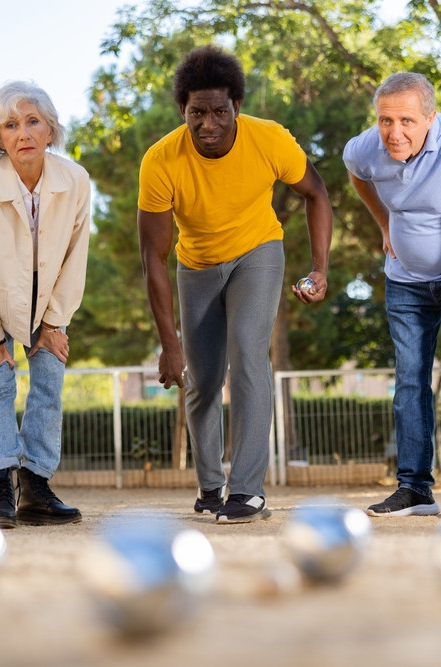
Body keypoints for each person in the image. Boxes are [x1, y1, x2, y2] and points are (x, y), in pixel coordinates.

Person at [138, 46, 334, 524]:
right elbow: (153, 258)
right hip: (197, 265)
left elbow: (315, 193)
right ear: (182, 111)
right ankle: (211, 486)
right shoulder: (161, 160)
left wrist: (320, 267)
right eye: (196, 113)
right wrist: (170, 345)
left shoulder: (269, 140)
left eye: (219, 111)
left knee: (249, 351)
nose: (208, 124)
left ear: (236, 109)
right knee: (201, 380)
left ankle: (247, 491)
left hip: (257, 252)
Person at [342, 72, 441, 518]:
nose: (395, 133)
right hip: (405, 277)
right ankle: (414, 489)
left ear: (430, 118)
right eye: (386, 120)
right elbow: (356, 174)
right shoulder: (366, 146)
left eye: (408, 121)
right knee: (409, 378)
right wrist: (383, 223)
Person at [0, 81, 90, 529]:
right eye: (11, 125)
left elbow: (75, 255)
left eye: (32, 121)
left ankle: (35, 487)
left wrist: (55, 322)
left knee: (49, 378)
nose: (23, 132)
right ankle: (1, 485)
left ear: (50, 130)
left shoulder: (75, 181)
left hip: (47, 292)